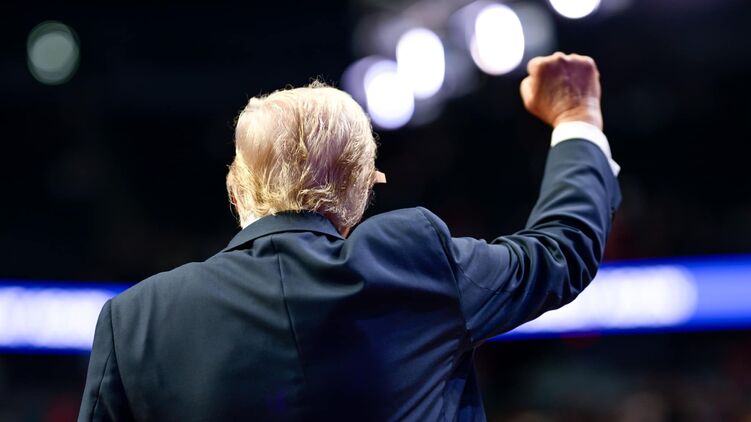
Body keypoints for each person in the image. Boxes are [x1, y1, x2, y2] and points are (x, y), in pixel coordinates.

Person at [78, 52, 621, 421]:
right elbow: (561, 251)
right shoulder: (412, 260)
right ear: (362, 191)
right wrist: (576, 117)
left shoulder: (135, 321)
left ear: (235, 189)